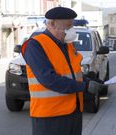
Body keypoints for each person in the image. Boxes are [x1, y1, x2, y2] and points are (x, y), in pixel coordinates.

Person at [21, 7, 86, 135]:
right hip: (49, 117)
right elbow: (48, 79)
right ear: (51, 24)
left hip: (74, 112)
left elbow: (73, 75)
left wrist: (92, 81)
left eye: (72, 26)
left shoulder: (68, 46)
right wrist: (84, 86)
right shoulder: (35, 45)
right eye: (67, 26)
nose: (71, 31)